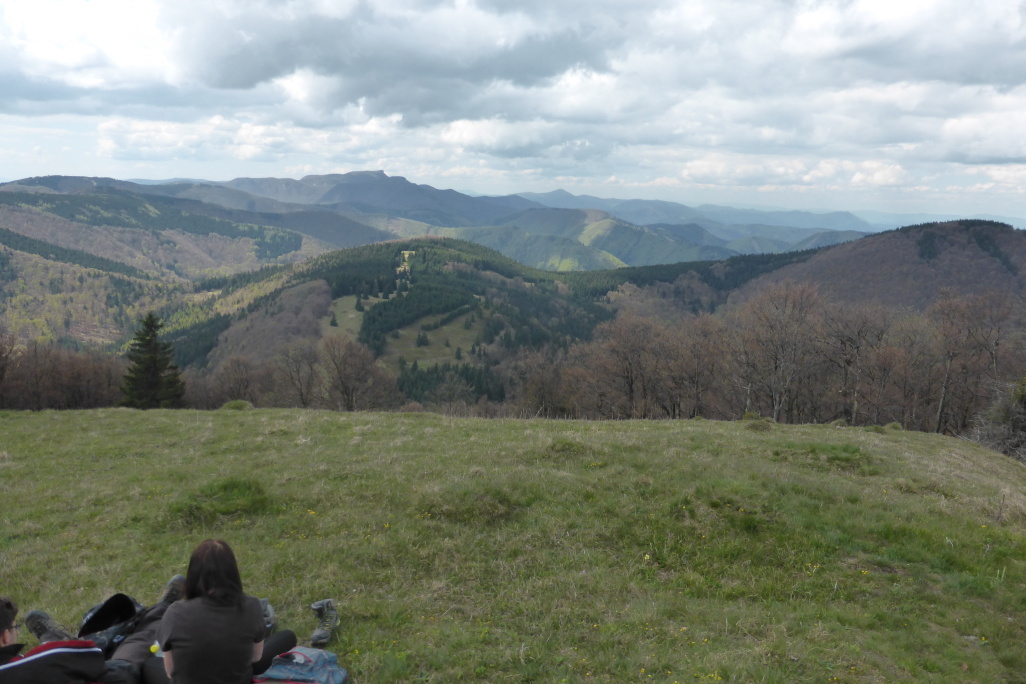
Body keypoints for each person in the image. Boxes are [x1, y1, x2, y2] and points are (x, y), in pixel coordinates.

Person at [148, 539, 296, 684]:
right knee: (287, 636)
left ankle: (162, 604)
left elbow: (170, 671)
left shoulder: (175, 612)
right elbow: (255, 658)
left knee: (148, 664)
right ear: (232, 572)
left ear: (193, 574)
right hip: (237, 676)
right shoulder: (252, 606)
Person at [0, 595, 112, 684]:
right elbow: (92, 656)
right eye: (15, 628)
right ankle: (52, 636)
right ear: (6, 636)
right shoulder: (46, 660)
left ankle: (51, 636)